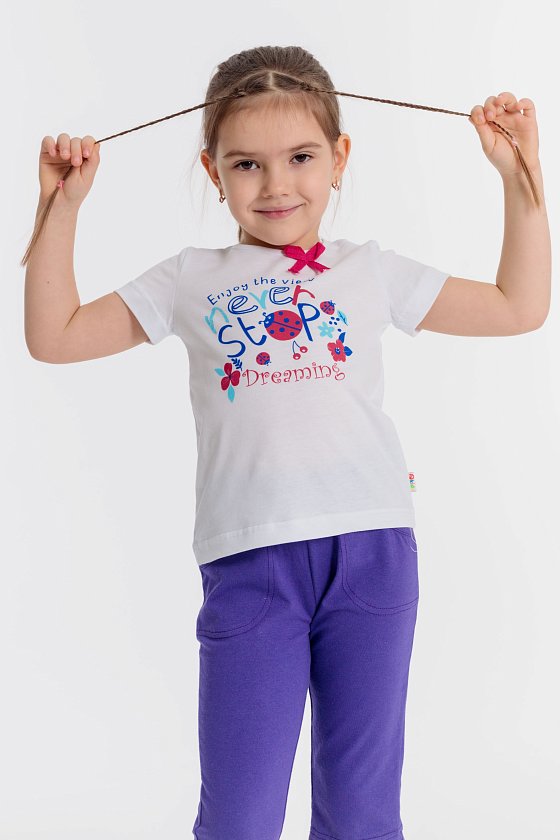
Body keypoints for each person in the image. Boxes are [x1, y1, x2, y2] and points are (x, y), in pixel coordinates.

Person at [24, 45, 549, 840]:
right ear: (213, 171)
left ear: (340, 157)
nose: (276, 185)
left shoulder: (370, 270)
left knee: (363, 814)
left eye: (301, 157)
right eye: (247, 164)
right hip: (250, 567)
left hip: (373, 554)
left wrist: (519, 178)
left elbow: (518, 306)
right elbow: (56, 336)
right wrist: (61, 208)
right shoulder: (190, 277)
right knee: (240, 818)